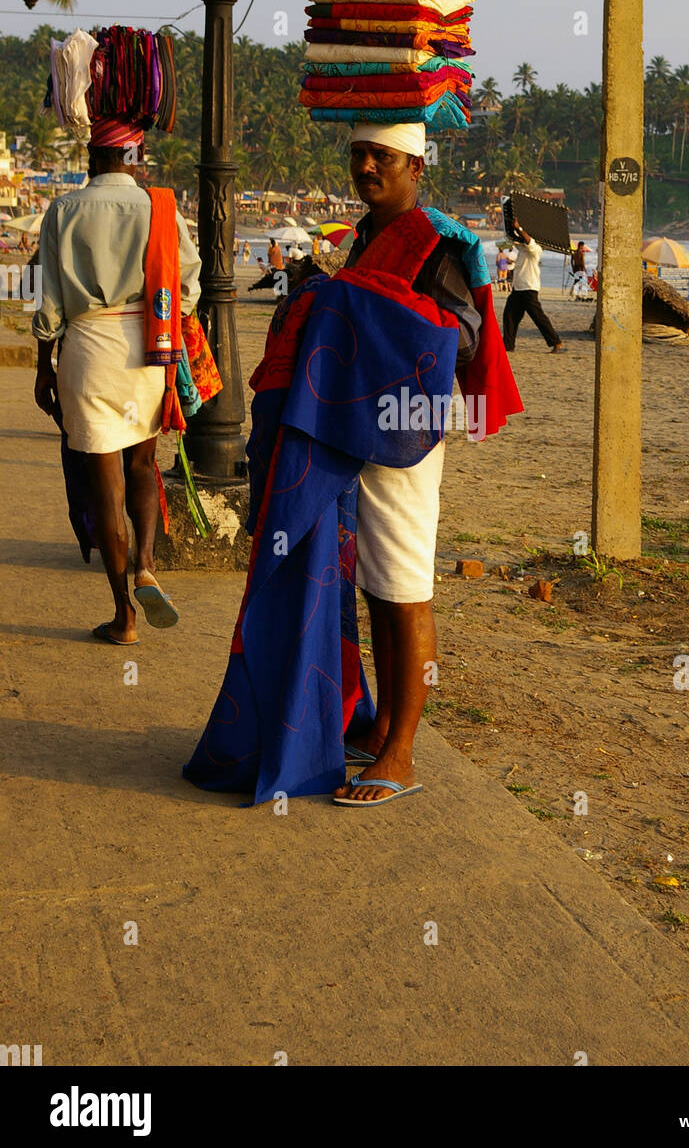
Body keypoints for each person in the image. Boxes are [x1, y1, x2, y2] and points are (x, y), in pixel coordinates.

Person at [183, 121, 522, 807]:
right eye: (360, 155)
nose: (368, 166)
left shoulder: (439, 242)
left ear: (415, 164)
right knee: (371, 583)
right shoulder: (366, 236)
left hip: (401, 436)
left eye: (383, 157)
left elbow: (458, 338)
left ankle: (404, 749)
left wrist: (349, 304)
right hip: (349, 429)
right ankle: (383, 725)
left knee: (405, 585)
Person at [32, 118, 201, 644]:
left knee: (105, 486)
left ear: (92, 156)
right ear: (137, 156)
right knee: (144, 465)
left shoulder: (64, 210)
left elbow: (50, 299)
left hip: (87, 350)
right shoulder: (161, 208)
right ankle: (147, 564)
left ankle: (123, 616)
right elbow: (189, 288)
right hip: (148, 349)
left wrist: (44, 366)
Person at [502, 220, 565, 352]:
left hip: (529, 289)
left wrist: (519, 228)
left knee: (538, 317)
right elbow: (514, 239)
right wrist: (511, 227)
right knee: (509, 316)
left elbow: (528, 241)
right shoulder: (522, 249)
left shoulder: (536, 249)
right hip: (518, 289)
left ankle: (556, 342)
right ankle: (507, 345)